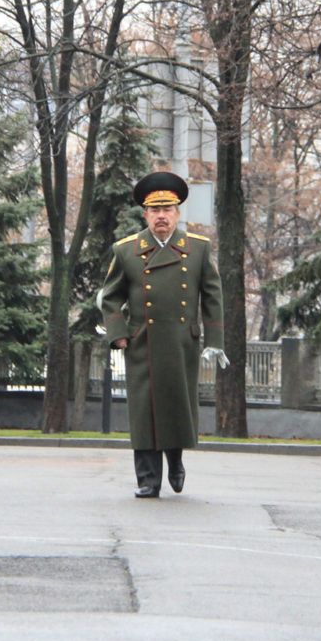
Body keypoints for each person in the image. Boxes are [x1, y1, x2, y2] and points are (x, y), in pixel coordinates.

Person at [99, 171, 225, 498]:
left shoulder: (197, 249)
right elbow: (111, 296)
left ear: (177, 213)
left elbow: (212, 295)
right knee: (144, 412)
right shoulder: (126, 250)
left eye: (167, 210)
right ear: (145, 214)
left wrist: (215, 342)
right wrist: (119, 333)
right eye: (154, 211)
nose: (161, 216)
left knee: (176, 407)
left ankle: (176, 460)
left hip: (182, 342)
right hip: (142, 342)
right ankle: (147, 479)